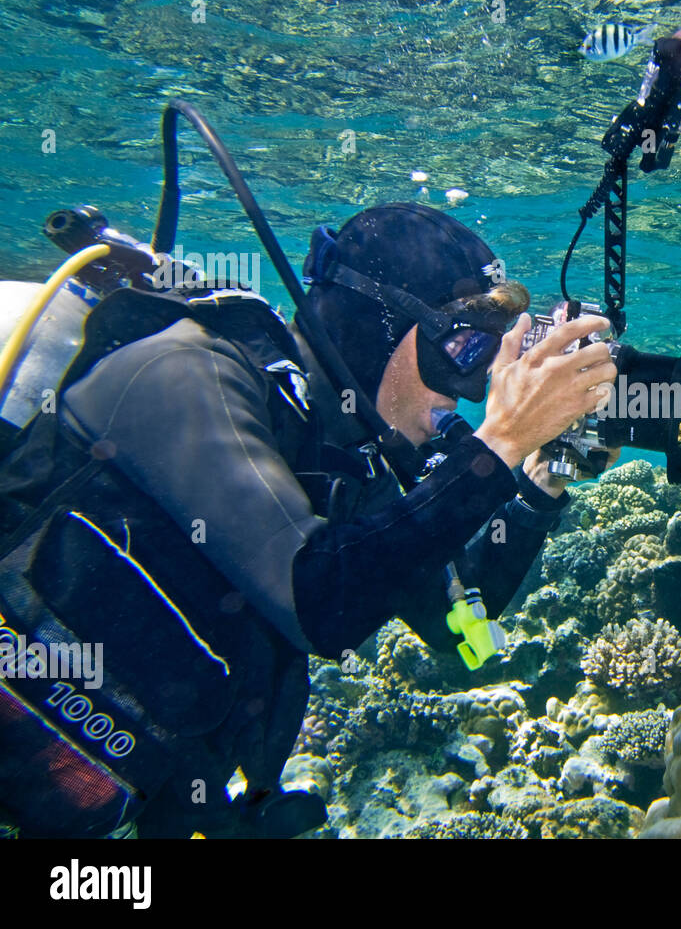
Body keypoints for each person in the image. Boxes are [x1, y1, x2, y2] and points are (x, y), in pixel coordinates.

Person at [0, 202, 617, 837]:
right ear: (375, 330)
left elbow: (460, 617)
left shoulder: (340, 457)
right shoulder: (189, 369)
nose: (467, 386)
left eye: (483, 358)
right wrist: (499, 445)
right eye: (460, 347)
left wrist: (541, 482)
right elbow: (317, 600)